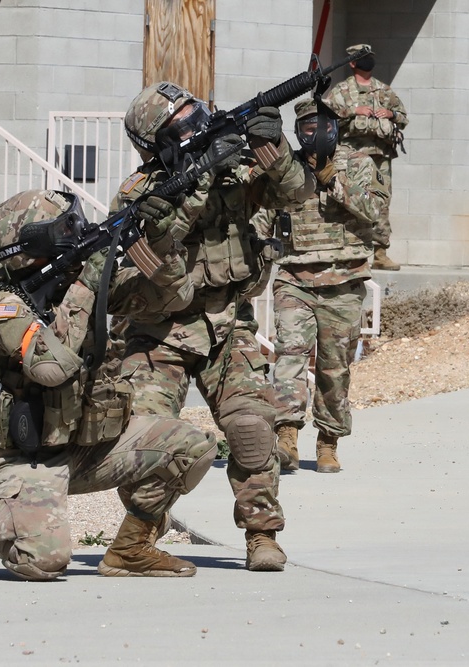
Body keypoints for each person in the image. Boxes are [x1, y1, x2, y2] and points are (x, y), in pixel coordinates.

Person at [0, 188, 218, 581]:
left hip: (87, 446)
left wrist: (162, 240)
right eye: (64, 227)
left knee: (192, 448)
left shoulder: (76, 283)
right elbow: (51, 367)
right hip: (22, 458)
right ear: (37, 245)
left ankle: (132, 549)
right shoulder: (2, 306)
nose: (76, 230)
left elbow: (172, 297)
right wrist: (87, 284)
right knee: (42, 562)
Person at [110, 81, 315, 572]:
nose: (196, 125)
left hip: (228, 325)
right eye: (181, 124)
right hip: (159, 332)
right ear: (158, 143)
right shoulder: (140, 193)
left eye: (195, 112)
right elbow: (150, 246)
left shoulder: (236, 168)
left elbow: (296, 191)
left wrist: (273, 146)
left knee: (251, 428)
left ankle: (262, 536)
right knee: (147, 440)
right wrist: (199, 178)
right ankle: (134, 543)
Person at [270, 97, 389, 474]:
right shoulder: (286, 168)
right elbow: (263, 213)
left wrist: (333, 181)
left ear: (333, 129)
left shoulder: (357, 164)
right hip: (294, 278)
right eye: (306, 128)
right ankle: (286, 437)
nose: (314, 134)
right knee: (289, 355)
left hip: (344, 279)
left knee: (334, 368)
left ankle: (328, 441)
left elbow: (374, 213)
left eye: (320, 127)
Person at [323, 43, 408, 272]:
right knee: (350, 199)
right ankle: (349, 251)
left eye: (370, 56)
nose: (368, 61)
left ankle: (380, 252)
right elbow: (325, 115)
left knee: (382, 201)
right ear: (352, 63)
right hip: (351, 157)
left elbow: (403, 117)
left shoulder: (383, 90)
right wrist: (353, 110)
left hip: (380, 155)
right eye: (363, 58)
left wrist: (390, 113)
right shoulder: (341, 91)